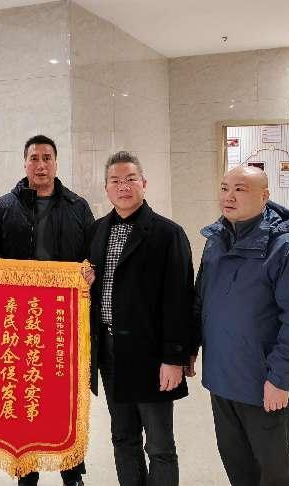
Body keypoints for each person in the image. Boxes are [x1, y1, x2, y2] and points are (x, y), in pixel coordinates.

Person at [188, 165, 289, 486]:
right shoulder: (215, 241)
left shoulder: (285, 249)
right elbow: (200, 301)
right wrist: (189, 347)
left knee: (274, 473)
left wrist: (280, 378)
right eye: (224, 188)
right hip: (221, 379)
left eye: (240, 189)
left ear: (264, 196)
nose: (229, 196)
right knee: (238, 467)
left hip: (263, 385)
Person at [0, 134, 94, 486]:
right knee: (24, 396)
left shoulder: (77, 207)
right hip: (19, 323)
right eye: (34, 158)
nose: (40, 165)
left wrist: (89, 274)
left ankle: (72, 470)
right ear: (24, 162)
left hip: (63, 322)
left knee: (64, 398)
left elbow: (93, 259)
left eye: (47, 158)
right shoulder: (4, 206)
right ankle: (26, 471)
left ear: (56, 162)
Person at [86, 151, 194, 486]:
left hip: (151, 355)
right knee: (123, 437)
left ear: (144, 183)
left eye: (130, 179)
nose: (123, 187)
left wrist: (173, 358)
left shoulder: (167, 233)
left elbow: (180, 300)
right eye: (115, 181)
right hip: (110, 353)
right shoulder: (96, 231)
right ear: (106, 188)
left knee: (159, 446)